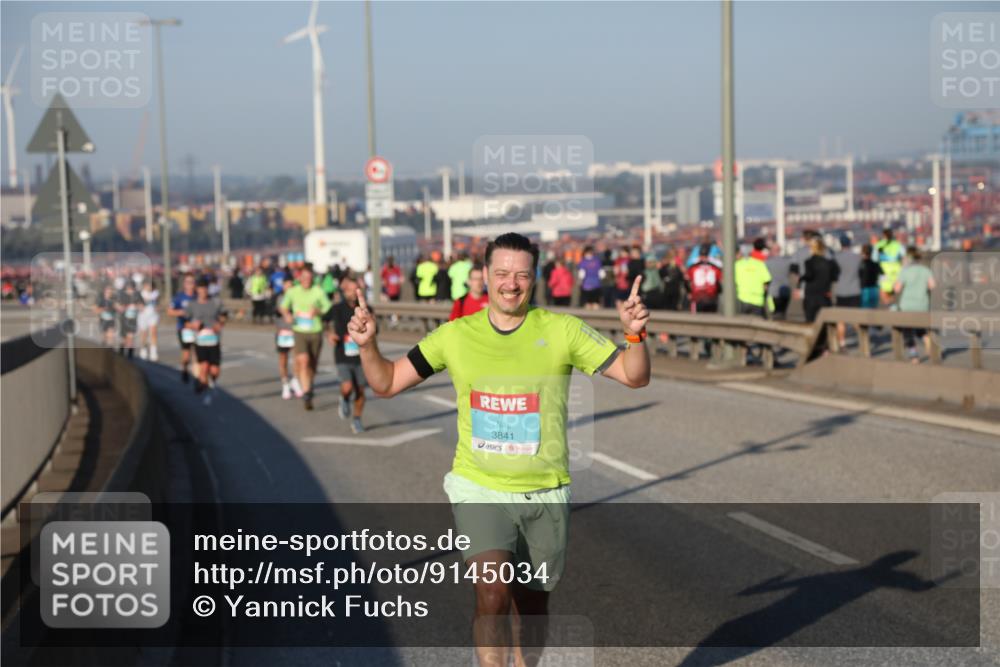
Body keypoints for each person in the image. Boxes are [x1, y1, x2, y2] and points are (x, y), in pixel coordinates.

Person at [346, 232, 650, 666]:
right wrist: (367, 346)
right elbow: (387, 382)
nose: (511, 284)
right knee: (491, 591)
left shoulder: (562, 330)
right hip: (479, 487)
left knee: (532, 608)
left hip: (545, 491)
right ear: (485, 276)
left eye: (521, 275)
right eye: (502, 273)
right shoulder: (454, 336)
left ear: (534, 279)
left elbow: (633, 376)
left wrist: (635, 337)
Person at [279, 263, 332, 411]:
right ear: (300, 278)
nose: (307, 280)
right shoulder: (293, 291)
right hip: (299, 331)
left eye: (309, 278)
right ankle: (307, 393)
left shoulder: (318, 291)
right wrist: (287, 315)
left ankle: (309, 384)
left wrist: (318, 311)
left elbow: (327, 307)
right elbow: (283, 306)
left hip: (315, 331)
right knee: (303, 361)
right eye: (304, 277)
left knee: (313, 365)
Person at [326, 275, 371, 433]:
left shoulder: (366, 309)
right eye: (349, 289)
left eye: (355, 290)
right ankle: (344, 398)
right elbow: (325, 321)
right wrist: (329, 333)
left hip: (362, 356)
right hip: (342, 353)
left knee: (361, 391)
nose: (352, 293)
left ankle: (357, 419)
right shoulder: (337, 308)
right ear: (344, 291)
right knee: (347, 387)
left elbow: (375, 330)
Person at [183, 277, 227, 405]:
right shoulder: (192, 304)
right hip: (200, 341)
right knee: (204, 367)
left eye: (205, 288)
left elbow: (224, 315)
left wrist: (220, 324)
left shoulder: (215, 302)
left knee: (215, 371)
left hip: (214, 340)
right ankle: (206, 390)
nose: (203, 291)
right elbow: (185, 322)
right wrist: (193, 326)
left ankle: (210, 381)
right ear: (197, 290)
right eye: (200, 288)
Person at [894, 247, 936, 363]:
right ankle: (927, 339)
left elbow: (897, 289)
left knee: (907, 332)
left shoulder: (905, 271)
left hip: (907, 305)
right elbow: (932, 286)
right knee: (920, 328)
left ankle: (914, 357)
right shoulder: (925, 270)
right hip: (922, 305)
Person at [275, 277, 302, 400]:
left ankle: (295, 380)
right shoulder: (279, 298)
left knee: (297, 358)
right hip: (282, 332)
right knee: (283, 359)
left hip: (295, 331)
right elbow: (275, 312)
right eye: (287, 285)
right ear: (283, 286)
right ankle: (285, 383)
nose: (289, 288)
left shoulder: (298, 297)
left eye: (291, 285)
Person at [833, 235, 862, 349]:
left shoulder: (836, 257)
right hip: (855, 290)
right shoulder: (857, 257)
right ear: (850, 243)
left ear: (840, 244)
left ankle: (842, 343)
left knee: (841, 320)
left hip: (841, 291)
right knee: (856, 319)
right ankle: (863, 339)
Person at [168, 274, 198, 383]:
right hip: (183, 328)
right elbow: (170, 311)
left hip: (196, 328)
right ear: (184, 284)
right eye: (188, 282)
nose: (190, 285)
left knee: (197, 352)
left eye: (192, 282)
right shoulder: (179, 297)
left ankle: (197, 376)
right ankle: (185, 370)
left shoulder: (197, 296)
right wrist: (181, 312)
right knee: (186, 352)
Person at [734, 239, 772, 317]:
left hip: (741, 299)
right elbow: (767, 281)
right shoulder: (760, 263)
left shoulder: (737, 265)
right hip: (758, 300)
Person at [686, 243, 723, 313]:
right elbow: (719, 283)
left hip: (697, 298)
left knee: (696, 321)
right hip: (711, 298)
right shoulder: (714, 267)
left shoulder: (693, 267)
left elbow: (686, 281)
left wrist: (689, 292)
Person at [876, 227, 904, 306]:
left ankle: (887, 309)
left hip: (883, 272)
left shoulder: (879, 245)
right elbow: (904, 257)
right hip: (895, 272)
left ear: (883, 235)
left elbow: (874, 259)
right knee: (893, 293)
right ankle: (891, 308)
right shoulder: (898, 245)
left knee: (883, 292)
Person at [766, 244, 793, 320]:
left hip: (772, 292)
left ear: (772, 251)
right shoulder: (787, 261)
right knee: (783, 313)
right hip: (785, 290)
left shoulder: (767, 262)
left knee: (774, 313)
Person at [117, 280, 143, 358]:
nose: (130, 290)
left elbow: (142, 306)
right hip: (124, 319)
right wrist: (127, 306)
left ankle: (130, 355)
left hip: (133, 319)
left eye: (132, 288)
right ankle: (121, 352)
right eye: (128, 288)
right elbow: (119, 308)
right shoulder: (121, 295)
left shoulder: (137, 295)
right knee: (124, 338)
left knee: (131, 337)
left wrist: (137, 306)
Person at [137, 280, 160, 361]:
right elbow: (137, 304)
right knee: (144, 334)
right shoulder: (140, 293)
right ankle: (143, 349)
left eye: (149, 285)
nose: (148, 287)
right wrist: (140, 306)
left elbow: (158, 304)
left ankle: (153, 352)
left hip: (153, 315)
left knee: (153, 333)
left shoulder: (156, 293)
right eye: (146, 285)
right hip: (143, 316)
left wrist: (158, 307)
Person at [577, 246, 603, 310]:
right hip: (597, 284)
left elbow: (581, 275)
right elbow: (602, 274)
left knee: (587, 303)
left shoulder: (583, 262)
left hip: (586, 285)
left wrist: (579, 282)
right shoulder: (597, 261)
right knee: (596, 303)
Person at [859, 244, 883, 309]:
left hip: (864, 290)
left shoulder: (860, 265)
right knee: (873, 312)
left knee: (863, 312)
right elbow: (883, 276)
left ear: (862, 252)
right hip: (874, 289)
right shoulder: (875, 264)